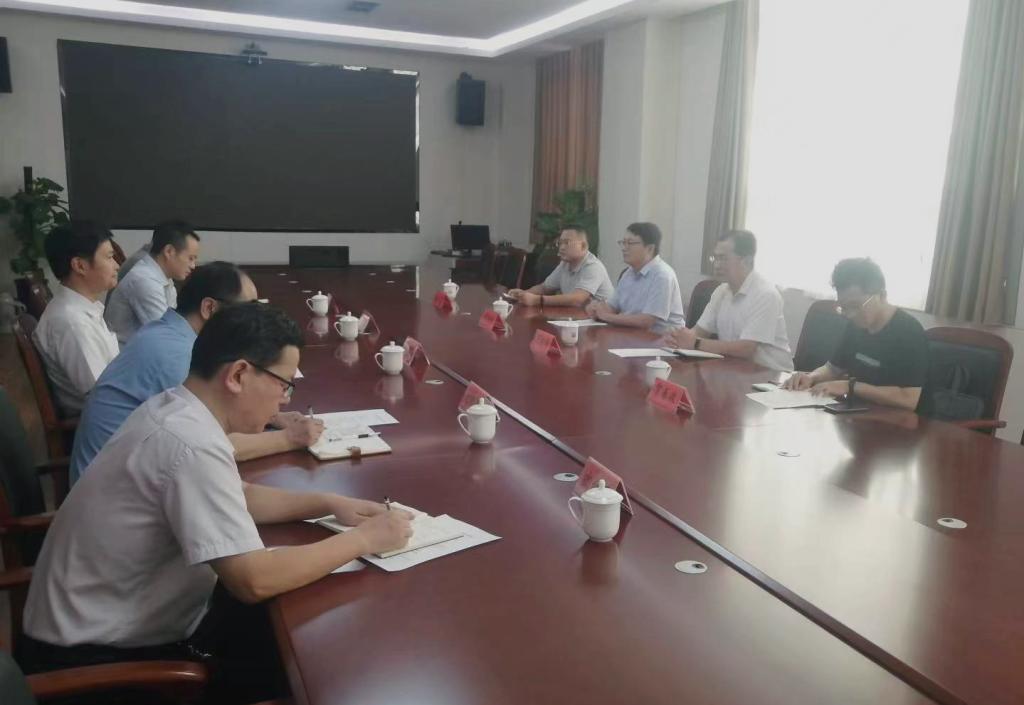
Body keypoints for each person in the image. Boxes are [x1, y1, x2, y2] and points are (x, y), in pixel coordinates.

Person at [21, 302, 414, 700]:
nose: (284, 401)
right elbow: (253, 580)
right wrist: (364, 539)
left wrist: (328, 503)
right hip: (100, 667)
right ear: (239, 374)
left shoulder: (176, 408)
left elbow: (240, 497)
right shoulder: (190, 443)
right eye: (284, 384)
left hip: (107, 630)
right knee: (311, 663)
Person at [70, 261, 324, 484]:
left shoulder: (172, 333)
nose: (255, 319)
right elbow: (215, 444)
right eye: (247, 309)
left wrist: (272, 417)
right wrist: (290, 438)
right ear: (209, 308)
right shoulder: (176, 353)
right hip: (115, 489)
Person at [783, 258, 928, 411]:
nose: (849, 314)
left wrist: (850, 386)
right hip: (860, 412)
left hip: (900, 420)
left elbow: (908, 399)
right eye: (843, 308)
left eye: (855, 306)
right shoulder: (855, 326)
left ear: (882, 295)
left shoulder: (909, 332)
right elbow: (833, 369)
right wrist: (811, 377)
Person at [664, 230, 793, 372]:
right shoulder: (721, 291)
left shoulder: (765, 294)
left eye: (723, 259)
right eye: (715, 258)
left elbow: (746, 349)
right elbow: (699, 332)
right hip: (736, 369)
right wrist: (678, 338)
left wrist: (695, 343)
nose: (716, 265)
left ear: (746, 260)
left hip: (772, 375)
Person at [32, 221, 120, 415]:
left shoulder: (83, 309)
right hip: (106, 424)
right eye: (109, 257)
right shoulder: (71, 323)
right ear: (80, 266)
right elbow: (104, 397)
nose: (117, 265)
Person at [105, 220, 200, 344]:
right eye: (190, 258)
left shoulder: (164, 277)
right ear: (169, 251)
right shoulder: (144, 280)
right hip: (126, 354)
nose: (193, 266)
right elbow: (167, 335)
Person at [585, 222, 684, 333]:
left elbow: (646, 321)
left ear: (650, 248)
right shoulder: (629, 273)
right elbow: (612, 306)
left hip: (662, 339)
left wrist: (606, 316)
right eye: (623, 242)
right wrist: (596, 309)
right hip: (633, 335)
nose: (624, 248)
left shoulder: (662, 275)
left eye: (630, 243)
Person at [507, 226, 614, 307]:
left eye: (567, 243)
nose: (561, 247)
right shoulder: (565, 264)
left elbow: (577, 299)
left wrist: (537, 300)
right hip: (576, 319)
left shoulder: (593, 267)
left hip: (601, 323)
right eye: (560, 243)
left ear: (583, 246)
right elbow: (545, 288)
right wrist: (523, 294)